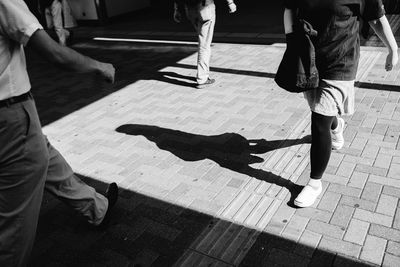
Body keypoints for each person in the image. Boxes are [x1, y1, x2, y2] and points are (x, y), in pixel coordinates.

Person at [0, 1, 118, 266]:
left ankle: (97, 208)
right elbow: (53, 53)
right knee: (13, 231)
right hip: (10, 117)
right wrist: (99, 66)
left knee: (45, 157)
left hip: (15, 127)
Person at [283, 0, 398, 208]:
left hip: (341, 59)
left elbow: (376, 17)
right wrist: (291, 41)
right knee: (318, 108)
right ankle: (336, 125)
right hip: (309, 56)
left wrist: (393, 49)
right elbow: (290, 8)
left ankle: (314, 183)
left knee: (319, 118)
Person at [173, 0, 237, 88]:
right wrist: (230, 2)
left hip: (190, 10)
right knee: (204, 45)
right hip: (205, 9)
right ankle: (202, 78)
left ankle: (204, 75)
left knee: (202, 40)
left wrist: (176, 9)